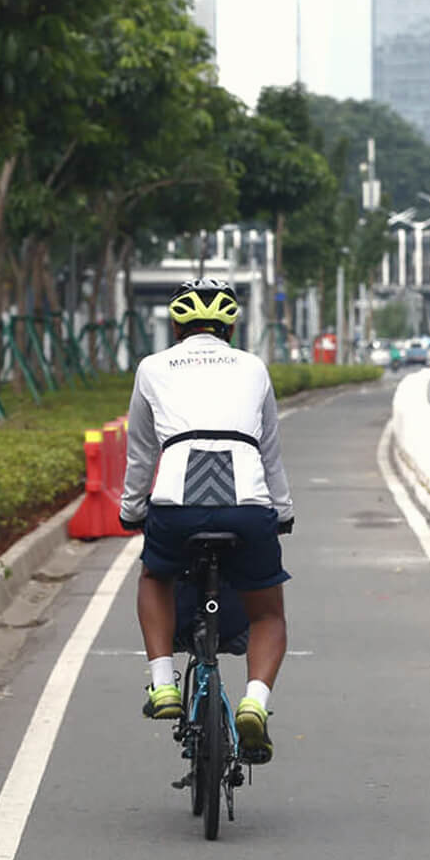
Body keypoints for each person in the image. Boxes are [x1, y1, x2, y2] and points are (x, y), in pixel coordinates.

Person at [119, 278, 294, 764]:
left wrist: (132, 507)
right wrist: (282, 510)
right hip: (248, 504)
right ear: (230, 327)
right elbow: (271, 451)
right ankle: (254, 703)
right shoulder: (254, 367)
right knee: (268, 614)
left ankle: (162, 686)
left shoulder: (152, 367)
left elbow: (140, 452)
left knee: (155, 575)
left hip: (176, 503)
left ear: (176, 325)